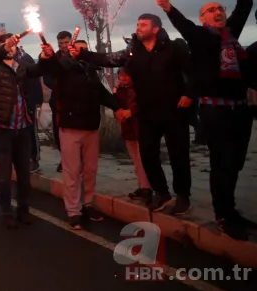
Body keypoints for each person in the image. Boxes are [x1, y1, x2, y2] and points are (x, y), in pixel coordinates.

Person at [155, 0, 255, 239]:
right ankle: (223, 214)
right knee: (221, 163)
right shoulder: (199, 37)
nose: (218, 12)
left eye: (219, 8)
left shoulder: (230, 34)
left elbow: (244, 6)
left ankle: (231, 209)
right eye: (211, 10)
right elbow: (182, 24)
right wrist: (168, 7)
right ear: (202, 19)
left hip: (240, 111)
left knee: (235, 163)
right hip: (215, 111)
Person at [75, 13, 193, 215]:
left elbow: (192, 71)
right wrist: (83, 54)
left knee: (178, 155)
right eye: (138, 24)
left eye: (143, 25)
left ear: (155, 29)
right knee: (147, 154)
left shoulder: (174, 48)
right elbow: (108, 59)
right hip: (147, 112)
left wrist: (189, 94)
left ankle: (183, 196)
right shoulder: (133, 52)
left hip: (174, 112)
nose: (138, 28)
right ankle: (161, 192)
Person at [41, 40, 125, 230]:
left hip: (90, 127)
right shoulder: (64, 69)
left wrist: (119, 108)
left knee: (90, 170)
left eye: (85, 49)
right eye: (78, 48)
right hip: (70, 127)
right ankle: (73, 211)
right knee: (72, 172)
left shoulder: (90, 71)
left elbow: (102, 94)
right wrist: (48, 55)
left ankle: (88, 204)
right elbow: (52, 67)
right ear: (71, 50)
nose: (82, 52)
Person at [0, 34, 50, 228]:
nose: (10, 47)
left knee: (24, 174)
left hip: (22, 128)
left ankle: (23, 210)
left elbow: (38, 70)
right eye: (5, 46)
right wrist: (3, 48)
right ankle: (6, 211)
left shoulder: (21, 66)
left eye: (12, 45)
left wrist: (46, 58)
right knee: (4, 175)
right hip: (1, 130)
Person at [113, 68, 151, 201]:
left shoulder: (141, 88)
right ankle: (142, 185)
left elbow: (142, 104)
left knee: (144, 159)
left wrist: (131, 111)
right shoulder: (120, 90)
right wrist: (118, 113)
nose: (123, 79)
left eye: (126, 76)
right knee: (136, 159)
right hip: (128, 128)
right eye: (120, 76)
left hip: (141, 127)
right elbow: (117, 105)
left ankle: (149, 187)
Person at [42, 30, 73, 172]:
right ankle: (65, 158)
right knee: (58, 132)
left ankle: (76, 160)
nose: (64, 45)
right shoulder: (53, 58)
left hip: (74, 102)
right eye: (61, 43)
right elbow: (47, 77)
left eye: (66, 42)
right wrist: (58, 85)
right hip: (58, 101)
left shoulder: (77, 56)